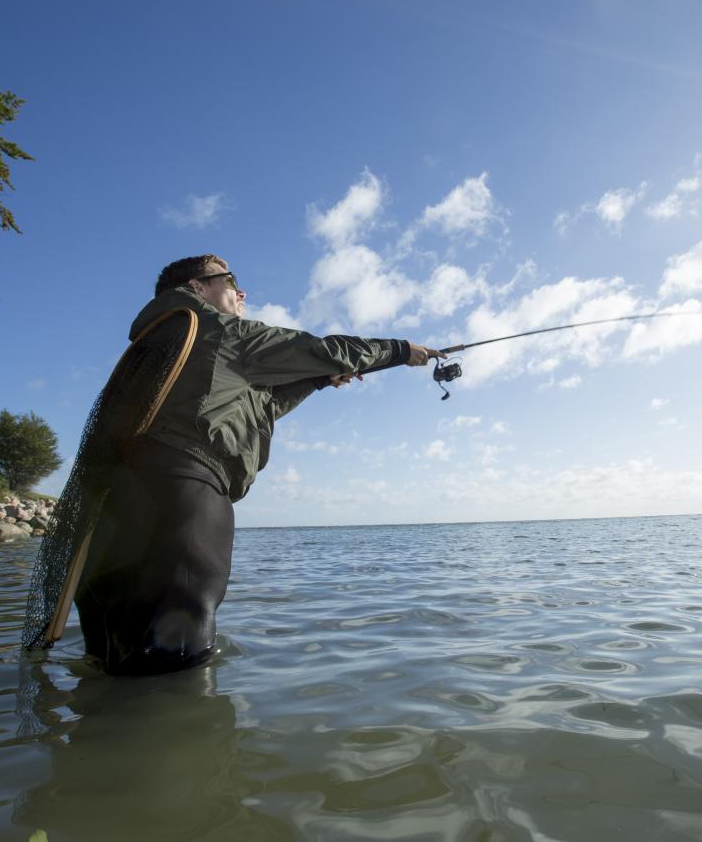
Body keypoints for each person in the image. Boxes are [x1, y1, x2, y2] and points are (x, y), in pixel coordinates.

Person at [74, 254, 444, 675]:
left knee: (113, 658)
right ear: (197, 287)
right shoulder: (220, 330)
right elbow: (328, 350)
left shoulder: (160, 341)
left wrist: (318, 379)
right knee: (177, 664)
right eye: (230, 279)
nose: (242, 291)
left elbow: (254, 406)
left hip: (109, 517)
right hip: (183, 496)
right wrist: (401, 351)